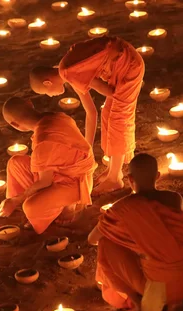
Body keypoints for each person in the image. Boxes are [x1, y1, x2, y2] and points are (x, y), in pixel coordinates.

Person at [88, 154, 183, 311]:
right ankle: (175, 305)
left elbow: (92, 239)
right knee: (152, 253)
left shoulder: (124, 208)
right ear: (158, 176)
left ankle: (138, 306)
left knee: (105, 243)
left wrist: (121, 233)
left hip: (159, 290)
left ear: (130, 179)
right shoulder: (175, 199)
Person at [30, 36, 145, 193]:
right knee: (107, 112)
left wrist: (93, 81)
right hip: (120, 65)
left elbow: (109, 92)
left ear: (47, 83)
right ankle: (114, 169)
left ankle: (114, 180)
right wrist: (87, 150)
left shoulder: (68, 72)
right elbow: (91, 112)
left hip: (129, 66)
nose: (51, 96)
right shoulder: (67, 72)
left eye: (46, 93)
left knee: (118, 117)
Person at [0, 97, 97, 233]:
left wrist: (15, 200)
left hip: (75, 184)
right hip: (58, 172)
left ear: (15, 125)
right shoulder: (60, 116)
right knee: (15, 163)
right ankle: (35, 204)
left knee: (31, 207)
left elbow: (45, 182)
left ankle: (69, 206)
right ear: (30, 103)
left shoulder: (43, 139)